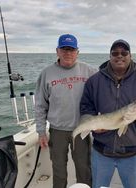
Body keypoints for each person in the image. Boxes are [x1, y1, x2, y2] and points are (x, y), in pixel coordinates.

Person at [80, 39, 136, 188]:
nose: (120, 56)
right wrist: (93, 125)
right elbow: (86, 108)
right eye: (115, 53)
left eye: (124, 52)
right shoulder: (94, 81)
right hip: (101, 152)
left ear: (130, 55)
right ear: (109, 56)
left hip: (134, 154)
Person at [35, 34, 96, 188]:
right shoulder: (46, 73)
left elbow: (107, 86)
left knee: (84, 170)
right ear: (57, 51)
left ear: (78, 52)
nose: (68, 53)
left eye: (71, 49)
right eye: (64, 49)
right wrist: (41, 131)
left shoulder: (89, 71)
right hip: (57, 131)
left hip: (81, 129)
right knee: (59, 172)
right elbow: (40, 105)